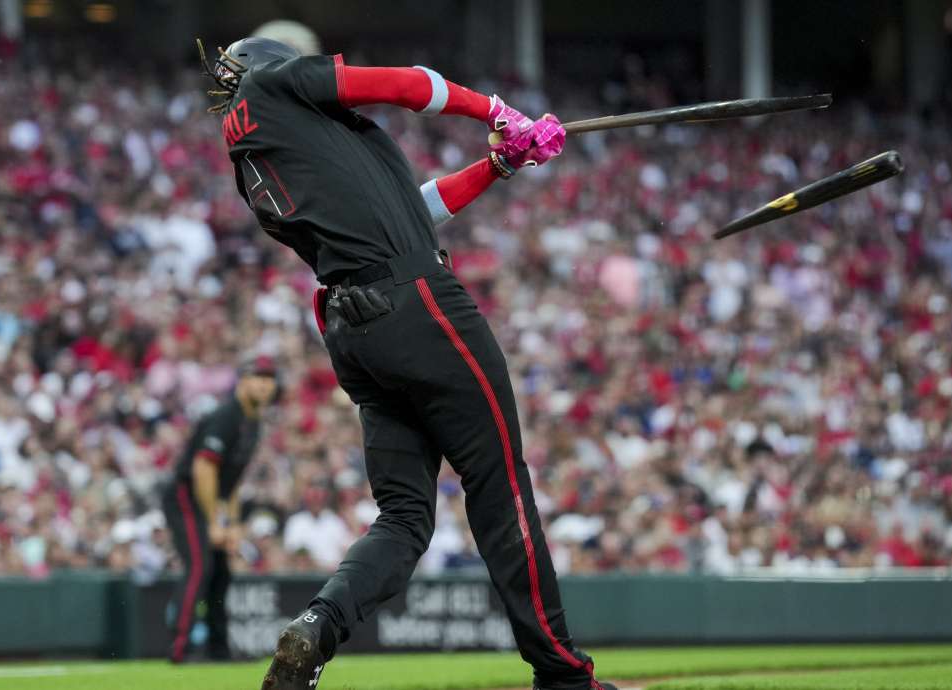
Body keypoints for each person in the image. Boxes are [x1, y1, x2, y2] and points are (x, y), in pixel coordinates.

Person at [197, 37, 614, 690]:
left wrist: (498, 166)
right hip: (416, 305)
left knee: (404, 517)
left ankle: (316, 627)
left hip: (355, 330)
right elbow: (408, 85)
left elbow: (412, 214)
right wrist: (494, 109)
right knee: (499, 484)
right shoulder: (274, 84)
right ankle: (562, 677)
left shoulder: (268, 159)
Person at [161, 356, 280, 662]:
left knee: (221, 574)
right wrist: (215, 521)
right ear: (242, 380)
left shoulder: (252, 422)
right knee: (200, 566)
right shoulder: (228, 415)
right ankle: (180, 646)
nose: (265, 384)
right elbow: (203, 468)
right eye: (258, 377)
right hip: (186, 495)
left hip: (212, 500)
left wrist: (234, 524)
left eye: (269, 378)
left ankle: (218, 649)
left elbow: (234, 480)